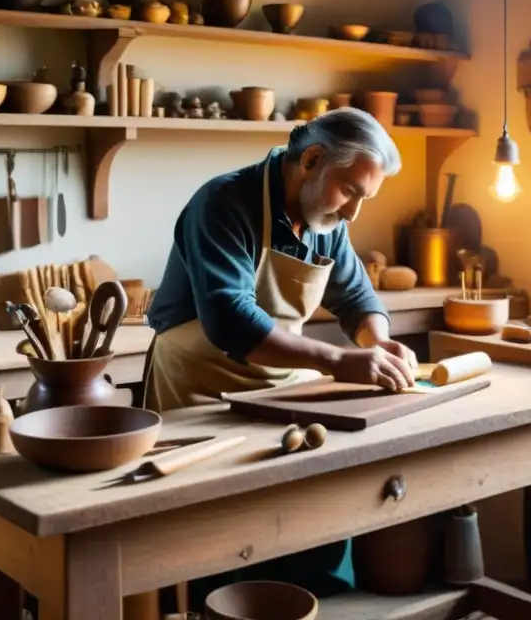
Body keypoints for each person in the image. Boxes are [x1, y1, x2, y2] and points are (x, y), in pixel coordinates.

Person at [144, 107, 420, 602]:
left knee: (310, 510)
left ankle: (314, 605)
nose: (354, 212)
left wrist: (376, 341)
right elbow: (231, 319)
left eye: (365, 197)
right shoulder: (224, 201)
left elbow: (357, 299)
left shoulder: (327, 219)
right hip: (199, 388)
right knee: (214, 536)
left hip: (283, 386)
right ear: (312, 159)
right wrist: (337, 361)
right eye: (351, 191)